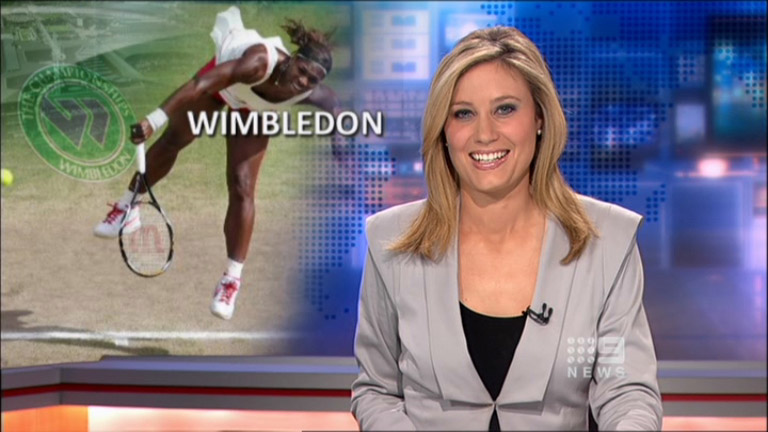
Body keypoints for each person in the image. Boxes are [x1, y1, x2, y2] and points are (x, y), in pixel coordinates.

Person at [351, 26, 662, 430]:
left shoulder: (606, 244)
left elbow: (626, 393)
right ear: (443, 130)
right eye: (463, 114)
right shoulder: (391, 243)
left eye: (505, 109)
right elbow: (376, 390)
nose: (484, 134)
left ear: (539, 118)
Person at [93, 6, 338, 320]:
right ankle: (127, 206)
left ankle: (231, 280)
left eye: (312, 80)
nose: (303, 81)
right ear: (292, 59)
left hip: (254, 110)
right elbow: (199, 85)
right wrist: (153, 120)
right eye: (302, 70)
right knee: (174, 140)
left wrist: (339, 143)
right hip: (222, 86)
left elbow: (334, 105)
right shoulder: (257, 62)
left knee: (242, 186)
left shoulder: (311, 93)